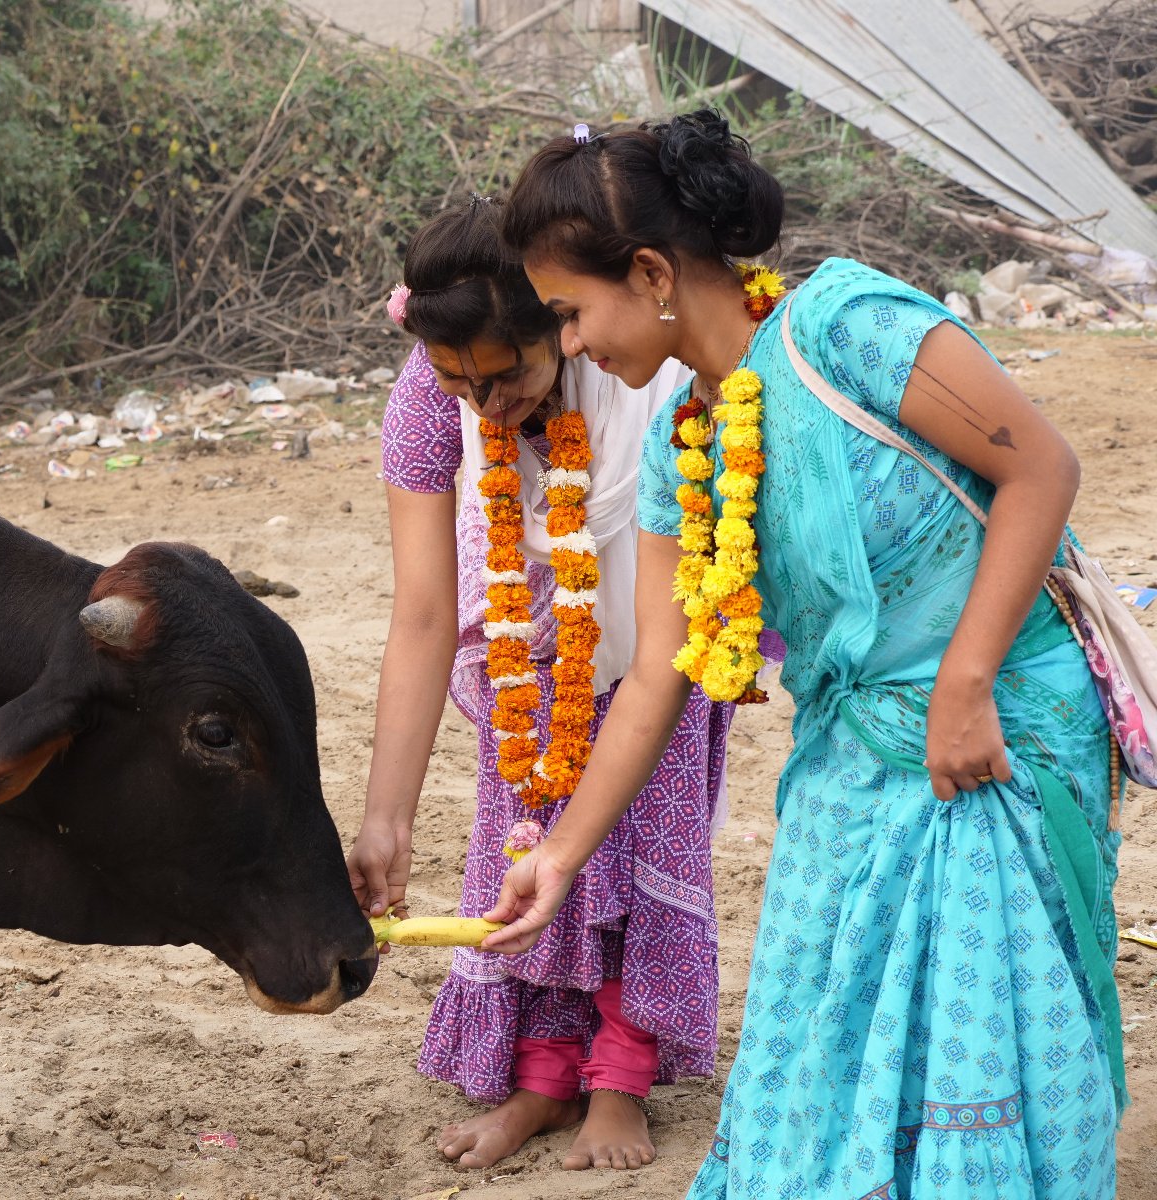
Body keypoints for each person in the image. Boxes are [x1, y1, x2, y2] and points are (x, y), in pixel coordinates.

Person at [482, 110, 1123, 1198]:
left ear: (648, 273)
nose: (572, 345)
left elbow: (1041, 472)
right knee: (816, 1046)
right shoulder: (689, 441)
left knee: (971, 1039)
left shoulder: (848, 327)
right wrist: (560, 854)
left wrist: (963, 686)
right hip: (853, 752)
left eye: (569, 312)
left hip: (994, 729)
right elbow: (657, 671)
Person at [346, 194, 734, 1173]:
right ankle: (543, 1081)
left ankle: (619, 1083)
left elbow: (665, 623)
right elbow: (425, 614)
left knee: (641, 857)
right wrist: (383, 818)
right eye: (456, 381)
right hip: (524, 656)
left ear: (560, 327)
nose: (483, 403)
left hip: (657, 647)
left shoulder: (641, 378)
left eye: (506, 373)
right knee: (527, 856)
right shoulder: (426, 400)